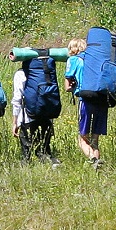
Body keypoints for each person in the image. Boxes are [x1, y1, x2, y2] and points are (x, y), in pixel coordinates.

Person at [10, 50, 61, 164]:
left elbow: (17, 99)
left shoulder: (20, 73)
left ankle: (27, 173)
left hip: (28, 117)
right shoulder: (47, 72)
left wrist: (15, 122)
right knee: (44, 152)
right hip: (46, 117)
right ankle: (51, 171)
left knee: (26, 156)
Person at [64, 37, 104, 167]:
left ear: (73, 49)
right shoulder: (94, 59)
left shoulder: (74, 60)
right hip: (101, 99)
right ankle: (96, 166)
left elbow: (67, 86)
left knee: (82, 138)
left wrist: (74, 86)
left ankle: (93, 159)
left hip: (85, 99)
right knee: (94, 139)